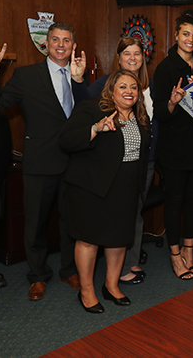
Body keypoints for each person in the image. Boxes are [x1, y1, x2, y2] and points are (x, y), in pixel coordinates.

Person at [0, 22, 84, 301]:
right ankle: (37, 276)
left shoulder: (80, 74)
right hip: (40, 163)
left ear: (73, 46)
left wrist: (81, 82)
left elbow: (87, 113)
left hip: (74, 162)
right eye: (55, 40)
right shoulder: (25, 76)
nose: (61, 44)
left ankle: (69, 269)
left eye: (67, 40)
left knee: (71, 221)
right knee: (35, 224)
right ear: (45, 44)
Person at [59, 70, 150, 313]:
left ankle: (111, 285)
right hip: (92, 187)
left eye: (133, 87)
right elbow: (66, 140)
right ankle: (87, 290)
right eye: (123, 86)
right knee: (89, 239)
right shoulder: (91, 108)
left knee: (118, 238)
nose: (129, 91)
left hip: (126, 187)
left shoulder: (140, 115)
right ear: (111, 90)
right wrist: (95, 129)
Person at [72, 37, 157, 284]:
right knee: (97, 227)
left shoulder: (149, 90)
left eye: (137, 53)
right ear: (118, 59)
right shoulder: (101, 90)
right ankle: (94, 283)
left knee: (128, 220)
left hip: (139, 166)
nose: (132, 58)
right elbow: (82, 110)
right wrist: (78, 80)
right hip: (104, 171)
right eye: (127, 53)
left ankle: (121, 271)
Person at [153, 10, 193, 280]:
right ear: (176, 36)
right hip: (174, 148)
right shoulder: (165, 68)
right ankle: (175, 255)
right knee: (174, 201)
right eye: (186, 34)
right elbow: (160, 114)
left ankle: (188, 250)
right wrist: (174, 101)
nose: (191, 39)